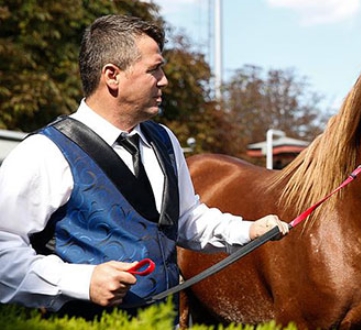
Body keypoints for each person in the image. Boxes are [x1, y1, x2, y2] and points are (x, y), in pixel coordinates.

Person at [0, 14, 289, 319]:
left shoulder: (164, 140)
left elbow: (186, 219)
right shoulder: (44, 151)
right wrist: (80, 281)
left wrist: (248, 230)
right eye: (154, 69)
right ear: (112, 76)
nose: (164, 79)